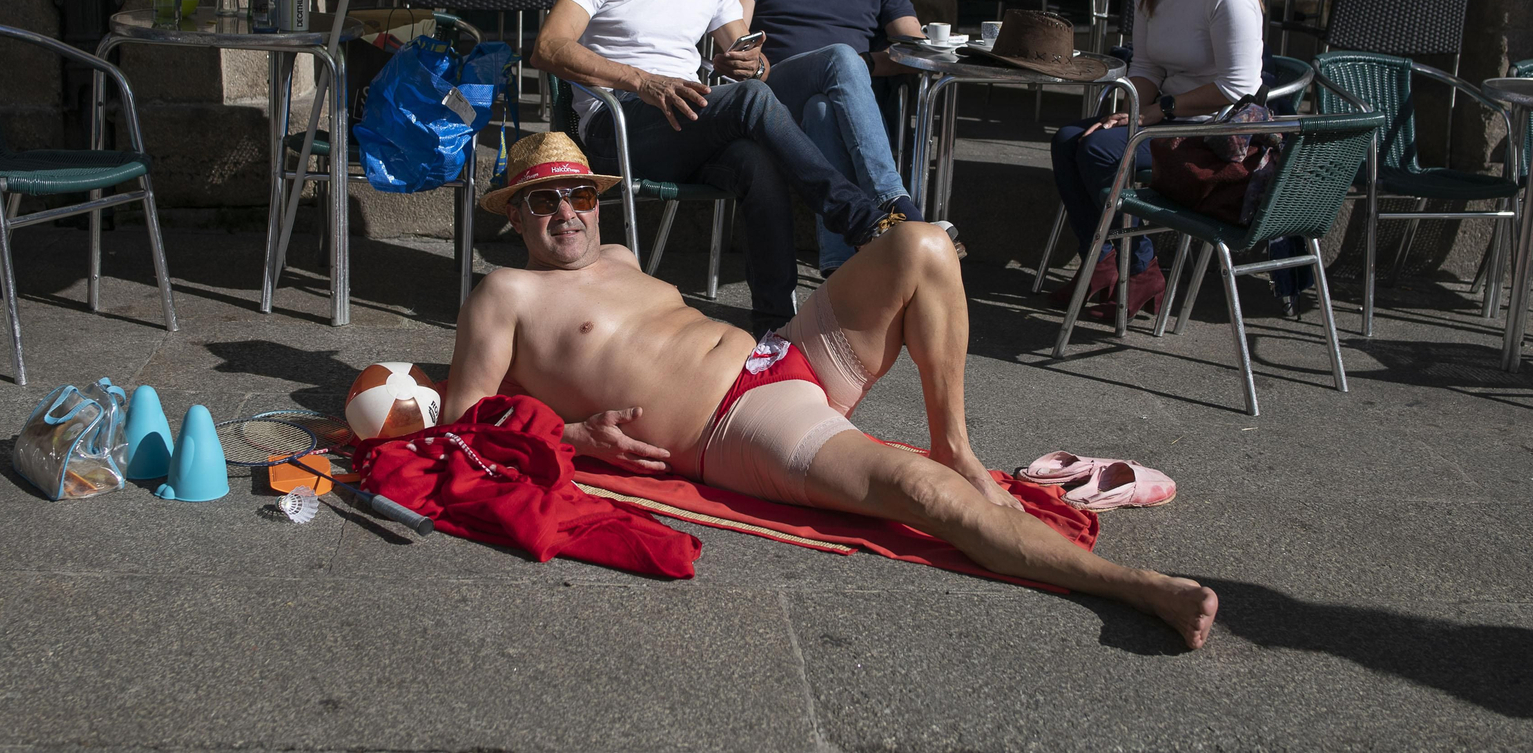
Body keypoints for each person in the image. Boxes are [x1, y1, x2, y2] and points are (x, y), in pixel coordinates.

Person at [444, 132, 1219, 650]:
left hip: (781, 355)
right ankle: (1138, 591)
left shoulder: (615, 251)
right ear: (514, 216)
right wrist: (576, 440)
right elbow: (462, 426)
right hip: (736, 427)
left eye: (579, 194)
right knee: (919, 491)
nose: (568, 214)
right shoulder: (503, 294)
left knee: (920, 243)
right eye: (544, 201)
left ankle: (958, 444)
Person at [531, 0, 924, 334]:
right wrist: (642, 81)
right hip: (618, 122)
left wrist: (749, 64)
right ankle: (860, 219)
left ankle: (776, 327)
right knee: (751, 102)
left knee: (756, 159)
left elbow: (749, 55)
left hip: (687, 121)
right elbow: (550, 47)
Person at [1048, 0, 1264, 318]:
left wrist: (1153, 114)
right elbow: (1145, 66)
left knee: (1103, 152)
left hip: (1210, 133)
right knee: (1070, 138)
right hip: (1167, 118)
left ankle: (1142, 269)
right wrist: (1131, 110)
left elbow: (1238, 86)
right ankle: (1104, 264)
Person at [725, 0, 933, 277]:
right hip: (774, 95)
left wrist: (865, 66)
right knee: (839, 57)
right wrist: (755, 64)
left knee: (824, 106)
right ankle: (893, 201)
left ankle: (840, 267)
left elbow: (915, 51)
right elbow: (736, 36)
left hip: (841, 107)